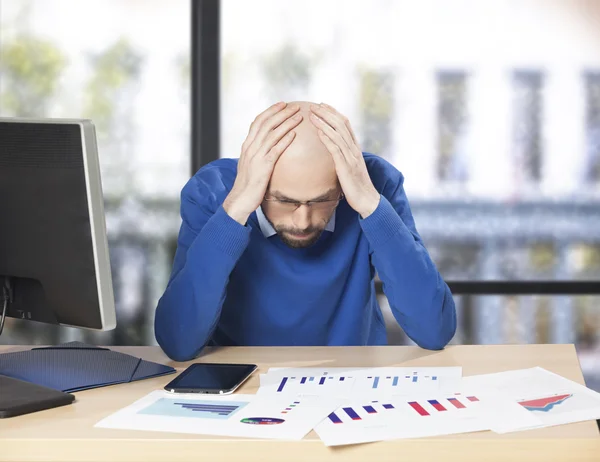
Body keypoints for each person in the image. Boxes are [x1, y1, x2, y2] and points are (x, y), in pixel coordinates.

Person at [155, 101, 456, 361]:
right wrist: (236, 207)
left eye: (322, 199)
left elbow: (434, 330)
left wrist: (368, 202)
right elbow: (177, 342)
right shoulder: (212, 191)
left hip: (351, 384)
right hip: (242, 386)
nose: (302, 221)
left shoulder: (375, 185)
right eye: (284, 200)